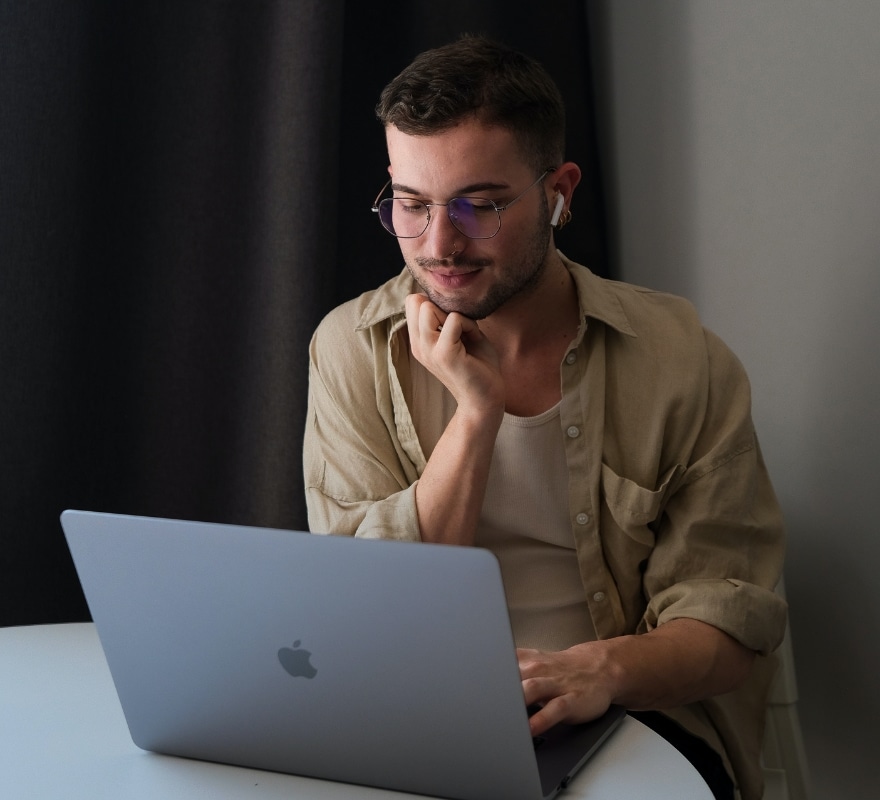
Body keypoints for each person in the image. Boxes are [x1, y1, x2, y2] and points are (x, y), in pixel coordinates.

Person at [303, 35, 786, 800]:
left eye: (481, 205)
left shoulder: (681, 357)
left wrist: (597, 670)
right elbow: (372, 617)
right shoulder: (349, 349)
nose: (438, 245)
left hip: (629, 714)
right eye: (411, 204)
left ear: (560, 190)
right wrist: (477, 413)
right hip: (412, 706)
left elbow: (730, 627)